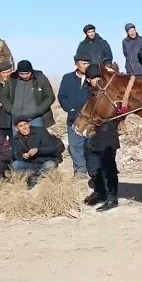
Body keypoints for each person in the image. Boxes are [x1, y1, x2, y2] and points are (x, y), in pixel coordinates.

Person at [83, 65, 120, 211]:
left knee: (108, 168)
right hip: (89, 134)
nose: (97, 81)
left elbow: (119, 113)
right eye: (94, 79)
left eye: (99, 77)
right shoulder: (85, 93)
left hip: (106, 134)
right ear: (88, 80)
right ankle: (100, 192)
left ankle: (112, 198)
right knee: (92, 168)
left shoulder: (109, 94)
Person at [58, 51, 92, 176]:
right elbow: (62, 96)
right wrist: (70, 109)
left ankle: (93, 171)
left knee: (90, 146)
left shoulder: (93, 79)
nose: (86, 66)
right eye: (84, 63)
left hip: (90, 119)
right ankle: (80, 172)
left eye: (88, 63)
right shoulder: (67, 78)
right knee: (75, 146)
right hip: (73, 118)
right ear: (76, 64)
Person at [0, 60, 56, 135]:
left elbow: (50, 97)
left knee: (38, 142)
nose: (25, 76)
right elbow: (4, 95)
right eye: (22, 74)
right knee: (19, 144)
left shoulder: (41, 79)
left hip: (36, 118)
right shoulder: (12, 79)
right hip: (17, 118)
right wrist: (11, 109)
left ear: (31, 71)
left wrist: (39, 110)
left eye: (27, 73)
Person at [11, 117, 64, 186]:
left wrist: (38, 150)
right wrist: (23, 156)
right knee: (16, 165)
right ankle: (37, 176)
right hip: (31, 164)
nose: (24, 127)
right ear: (16, 128)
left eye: (25, 124)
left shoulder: (40, 131)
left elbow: (53, 148)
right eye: (21, 126)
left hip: (45, 161)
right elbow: (16, 154)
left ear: (29, 124)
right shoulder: (16, 138)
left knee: (50, 165)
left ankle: (35, 178)